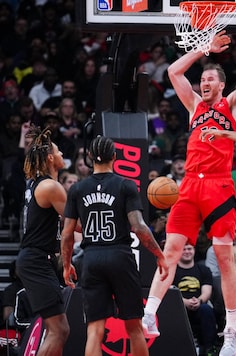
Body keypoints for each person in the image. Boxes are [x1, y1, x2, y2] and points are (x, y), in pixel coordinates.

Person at [142, 6, 236, 356]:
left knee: (225, 259)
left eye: (210, 80)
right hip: (189, 185)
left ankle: (233, 330)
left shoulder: (232, 106)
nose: (204, 83)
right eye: (203, 80)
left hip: (220, 187)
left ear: (222, 86)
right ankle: (149, 313)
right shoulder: (193, 105)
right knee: (171, 251)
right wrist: (203, 48)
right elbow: (176, 71)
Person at [60, 136, 167, 356]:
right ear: (115, 157)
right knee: (134, 326)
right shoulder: (125, 184)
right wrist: (159, 254)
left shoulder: (78, 189)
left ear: (89, 157)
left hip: (91, 258)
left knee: (95, 329)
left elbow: (67, 233)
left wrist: (66, 264)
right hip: (120, 255)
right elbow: (139, 227)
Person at [15, 126, 70, 356]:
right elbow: (74, 223)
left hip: (38, 259)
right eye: (59, 152)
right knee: (59, 330)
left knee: (58, 329)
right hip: (36, 260)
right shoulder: (50, 186)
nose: (62, 155)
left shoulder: (38, 184)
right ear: (50, 158)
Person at [171, 243, 216, 356]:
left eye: (189, 249)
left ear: (194, 250)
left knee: (206, 309)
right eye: (184, 249)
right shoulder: (172, 270)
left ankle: (210, 349)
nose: (187, 251)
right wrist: (185, 302)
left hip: (199, 305)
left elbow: (207, 291)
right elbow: (169, 292)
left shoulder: (203, 269)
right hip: (178, 307)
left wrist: (199, 301)